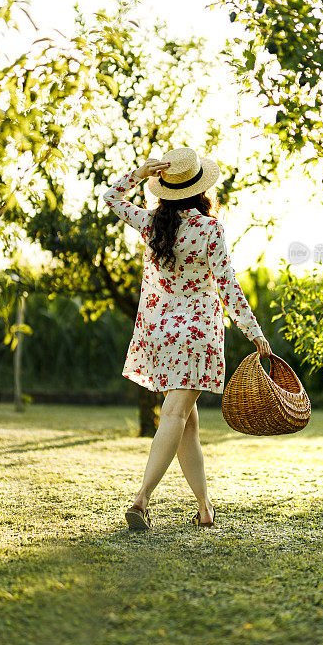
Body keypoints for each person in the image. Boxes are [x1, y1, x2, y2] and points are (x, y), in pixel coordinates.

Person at [101, 147, 272, 531]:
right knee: (176, 415)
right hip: (197, 336)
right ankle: (142, 500)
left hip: (161, 334)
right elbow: (228, 286)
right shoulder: (210, 229)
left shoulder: (151, 224)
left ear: (165, 189)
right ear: (201, 189)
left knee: (186, 422)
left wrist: (140, 173)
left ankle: (205, 507)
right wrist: (254, 331)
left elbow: (111, 198)